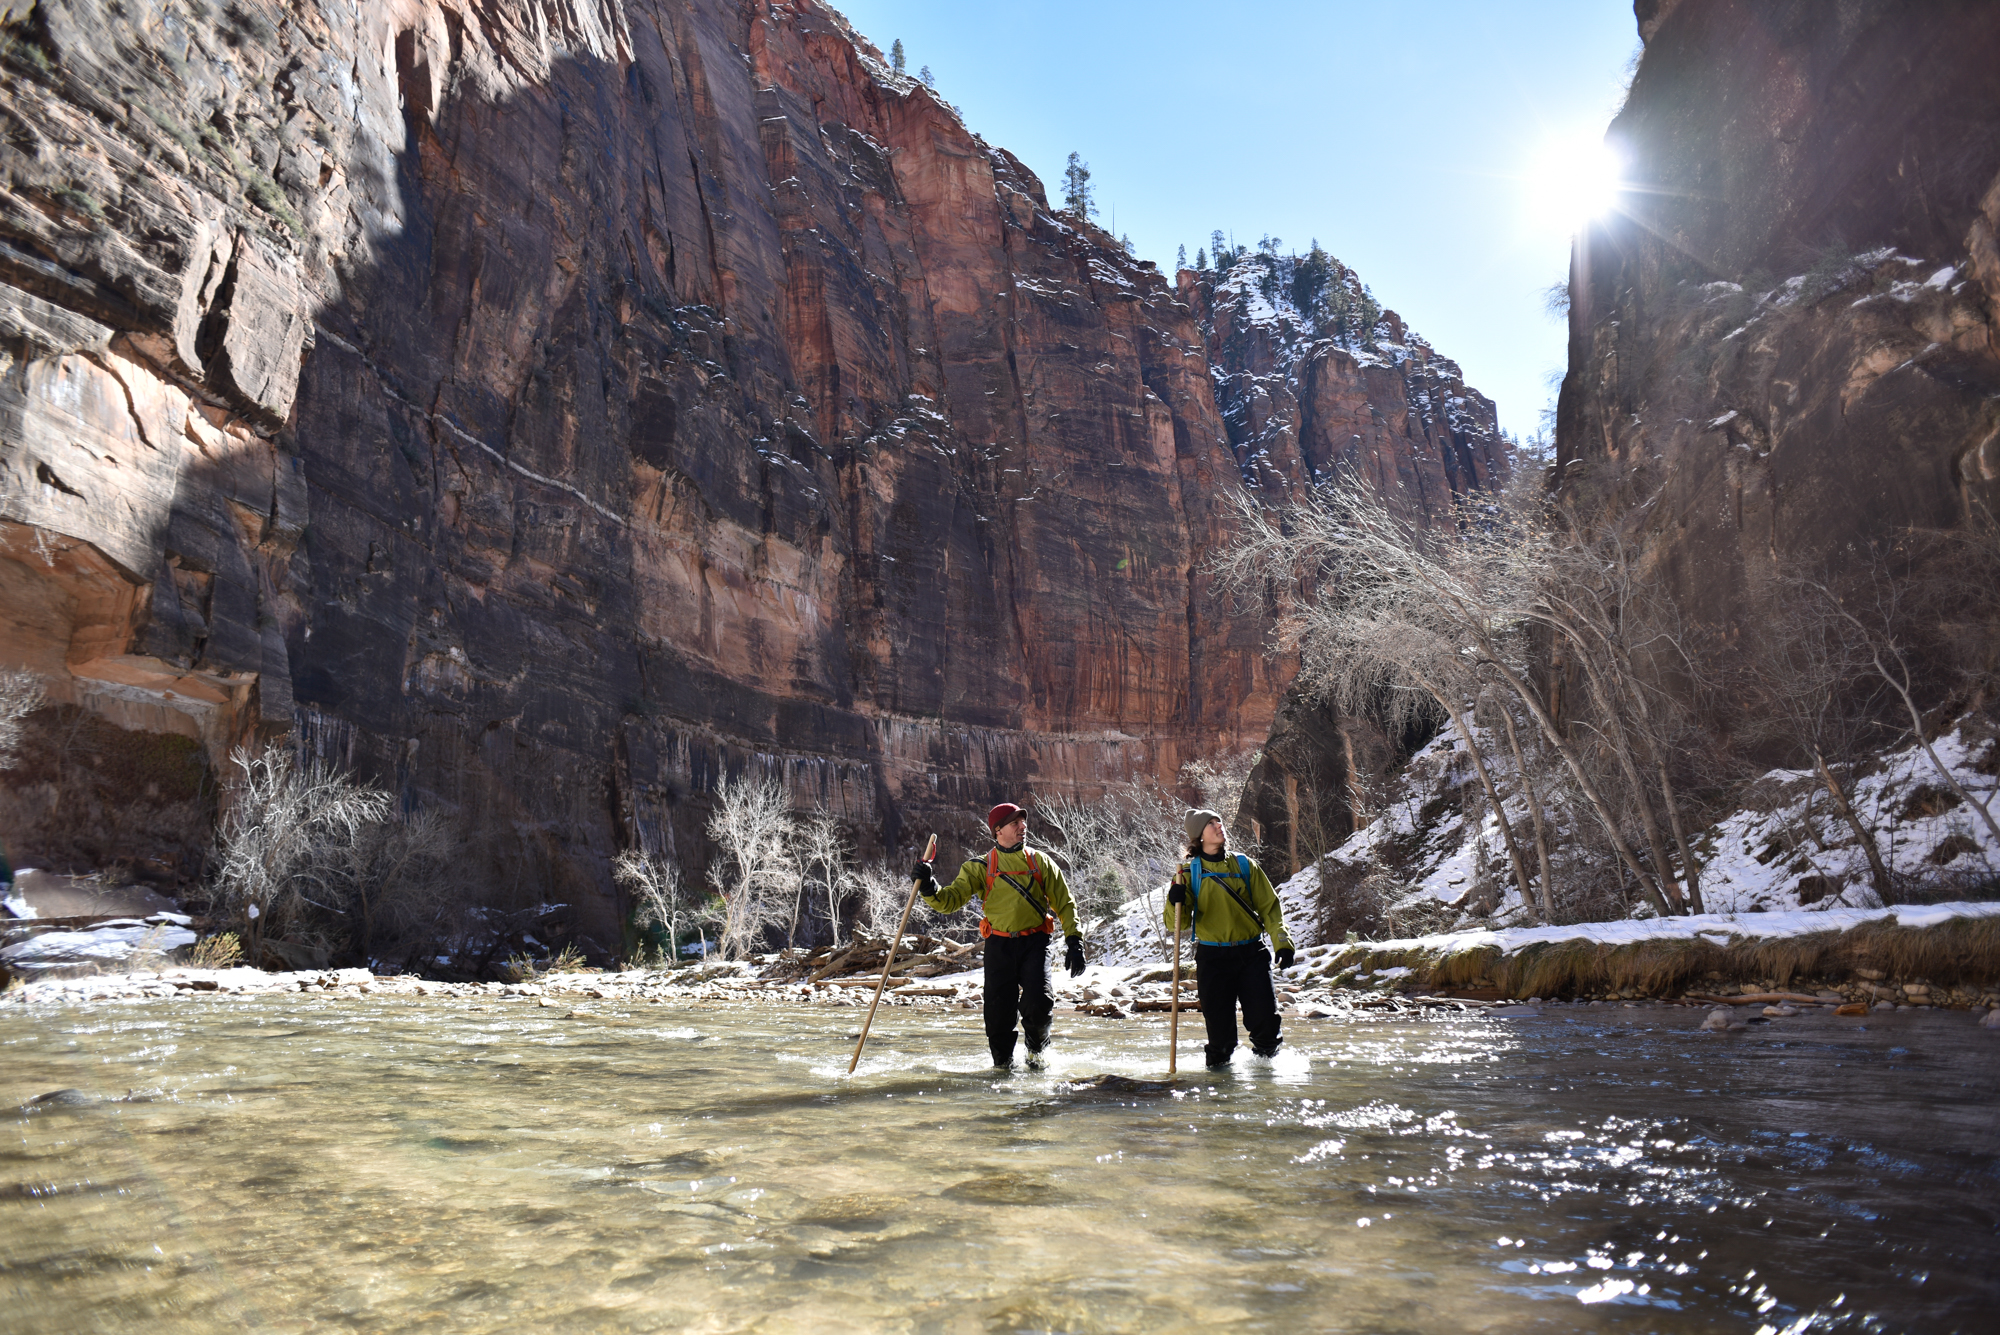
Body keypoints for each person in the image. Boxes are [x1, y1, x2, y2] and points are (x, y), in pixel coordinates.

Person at [914, 802, 1086, 1068]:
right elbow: (948, 901)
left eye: (1023, 822)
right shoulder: (979, 867)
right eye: (1015, 823)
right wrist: (928, 885)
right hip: (999, 946)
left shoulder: (1040, 862)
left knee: (1039, 1005)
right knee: (997, 1016)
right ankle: (1003, 1068)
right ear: (998, 831)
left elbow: (1065, 904)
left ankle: (1036, 1052)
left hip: (1035, 943)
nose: (1023, 826)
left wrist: (1075, 941)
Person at [1164, 808, 1294, 1067]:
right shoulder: (1187, 874)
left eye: (1218, 821)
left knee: (1267, 1028)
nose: (1218, 825)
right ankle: (1220, 1096)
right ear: (1199, 836)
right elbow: (1174, 924)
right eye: (1210, 824)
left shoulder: (1245, 865)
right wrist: (1174, 899)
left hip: (1251, 954)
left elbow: (1269, 907)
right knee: (1221, 1042)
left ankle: (1267, 1084)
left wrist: (1282, 942)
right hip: (1213, 959)